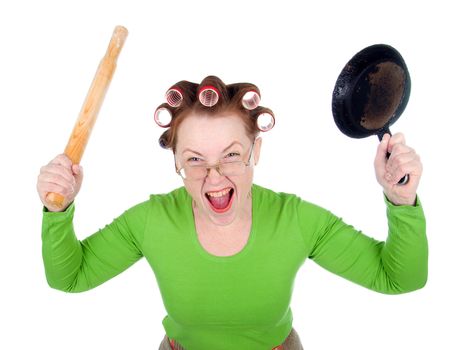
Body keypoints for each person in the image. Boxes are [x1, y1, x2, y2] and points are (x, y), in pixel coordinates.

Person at [37, 76, 428, 350]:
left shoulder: (296, 220)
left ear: (256, 153)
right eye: (195, 160)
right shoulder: (150, 221)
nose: (215, 177)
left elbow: (398, 278)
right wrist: (59, 208)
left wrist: (401, 199)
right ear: (176, 162)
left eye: (232, 156)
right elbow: (70, 277)